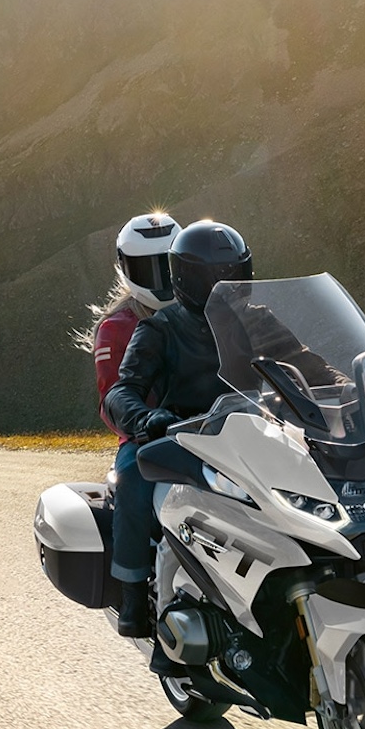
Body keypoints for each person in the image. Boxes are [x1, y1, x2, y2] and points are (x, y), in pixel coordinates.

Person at [103, 220, 254, 638]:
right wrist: (148, 420)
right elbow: (119, 392)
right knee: (133, 474)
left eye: (232, 275)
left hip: (249, 434)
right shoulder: (152, 329)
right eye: (212, 277)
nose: (224, 285)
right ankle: (132, 593)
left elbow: (305, 360)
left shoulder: (255, 321)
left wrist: (344, 390)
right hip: (176, 436)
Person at [86, 214, 181, 436]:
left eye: (167, 267)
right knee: (130, 470)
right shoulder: (115, 328)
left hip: (216, 434)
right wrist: (143, 420)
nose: (160, 278)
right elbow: (112, 398)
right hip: (149, 438)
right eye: (147, 269)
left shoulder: (205, 309)